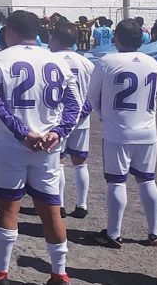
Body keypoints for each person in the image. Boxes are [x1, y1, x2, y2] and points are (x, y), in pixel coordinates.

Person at [0, 10, 80, 285]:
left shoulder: (0, 59)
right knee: (51, 210)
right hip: (48, 148)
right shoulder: (56, 61)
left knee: (8, 209)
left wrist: (23, 134)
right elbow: (74, 104)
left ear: (9, 31)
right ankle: (60, 273)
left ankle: (0, 273)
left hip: (12, 145)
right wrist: (58, 132)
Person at [87, 19, 157, 249]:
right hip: (147, 130)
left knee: (116, 182)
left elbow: (92, 95)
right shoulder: (152, 62)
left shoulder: (107, 61)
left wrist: (104, 114)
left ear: (117, 38)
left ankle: (113, 233)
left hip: (118, 131)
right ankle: (155, 232)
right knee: (147, 180)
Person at [50, 21, 95, 219]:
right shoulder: (87, 62)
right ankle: (82, 204)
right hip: (82, 119)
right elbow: (94, 94)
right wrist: (81, 114)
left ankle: (58, 204)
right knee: (80, 162)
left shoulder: (50, 60)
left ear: (57, 39)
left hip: (57, 120)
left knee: (58, 163)